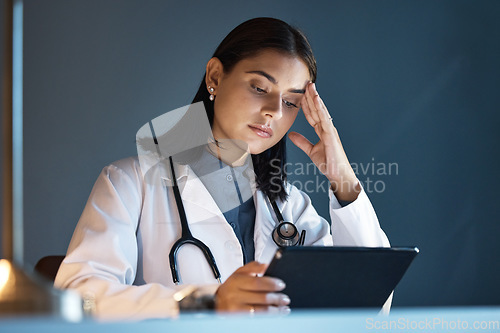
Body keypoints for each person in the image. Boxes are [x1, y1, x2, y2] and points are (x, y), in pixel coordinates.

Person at [54, 17, 390, 320]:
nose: (274, 110)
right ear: (215, 76)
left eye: (291, 102)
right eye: (260, 87)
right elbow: (79, 297)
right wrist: (207, 302)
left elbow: (370, 304)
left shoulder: (291, 207)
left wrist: (341, 176)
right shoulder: (130, 184)